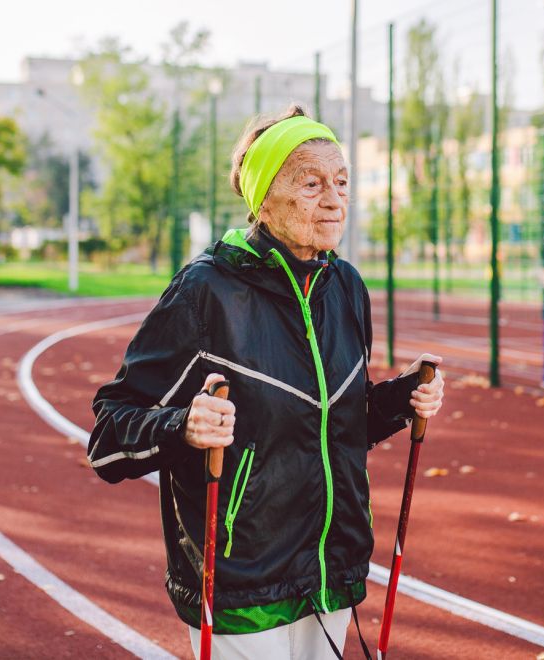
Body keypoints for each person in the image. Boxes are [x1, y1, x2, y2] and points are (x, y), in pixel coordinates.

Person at [88, 105, 445, 659]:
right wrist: (186, 425)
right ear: (264, 199)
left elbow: (333, 421)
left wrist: (403, 399)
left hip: (329, 573)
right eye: (311, 183)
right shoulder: (206, 291)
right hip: (242, 586)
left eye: (343, 181)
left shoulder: (345, 286)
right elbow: (109, 435)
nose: (334, 199)